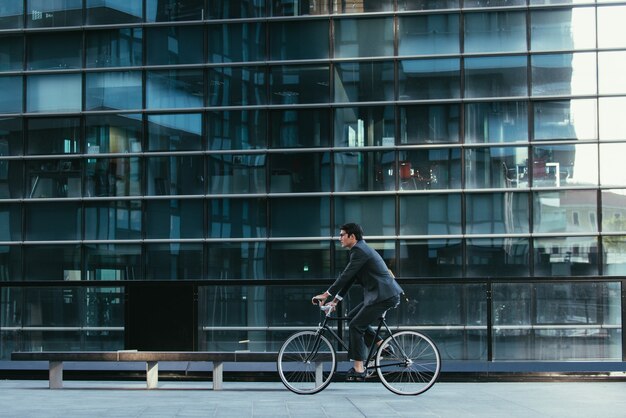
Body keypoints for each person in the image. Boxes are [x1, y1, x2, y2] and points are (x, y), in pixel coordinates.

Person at [312, 223, 404, 381]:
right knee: (352, 317)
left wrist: (326, 294)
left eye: (342, 235)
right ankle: (385, 347)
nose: (339, 238)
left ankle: (359, 368)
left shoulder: (359, 251)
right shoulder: (360, 249)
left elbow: (346, 276)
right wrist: (334, 301)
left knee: (356, 326)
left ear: (352, 236)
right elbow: (350, 279)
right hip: (380, 295)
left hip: (383, 296)